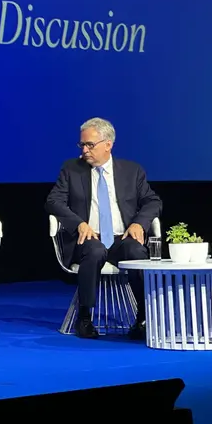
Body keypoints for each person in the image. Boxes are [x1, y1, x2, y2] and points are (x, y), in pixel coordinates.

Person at [45, 117, 162, 339]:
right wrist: (79, 223)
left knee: (137, 251)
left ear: (108, 144)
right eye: (82, 145)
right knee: (95, 250)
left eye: (90, 145)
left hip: (121, 237)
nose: (85, 150)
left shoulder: (132, 170)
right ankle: (85, 317)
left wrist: (139, 223)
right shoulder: (72, 169)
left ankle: (143, 317)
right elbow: (53, 201)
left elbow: (153, 201)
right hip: (87, 239)